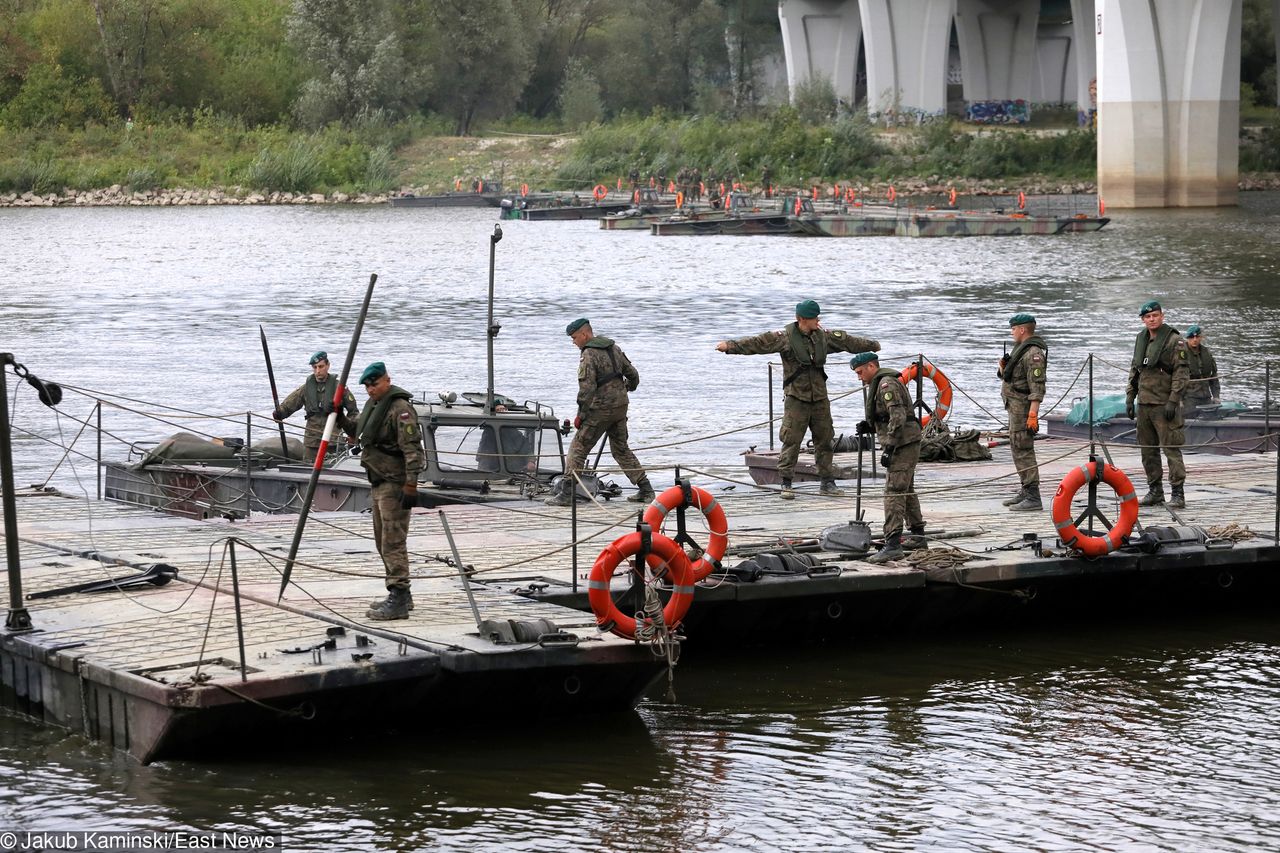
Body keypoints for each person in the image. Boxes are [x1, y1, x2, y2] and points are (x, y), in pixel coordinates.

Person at [717, 300, 879, 499]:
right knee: (791, 440)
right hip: (797, 398)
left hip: (820, 398)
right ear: (801, 319)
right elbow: (757, 343)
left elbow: (847, 341)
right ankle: (786, 482)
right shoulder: (784, 338)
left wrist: (872, 345)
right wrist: (730, 346)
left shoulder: (823, 337)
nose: (818, 321)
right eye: (813, 318)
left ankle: (827, 481)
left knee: (825, 439)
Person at [340, 362, 424, 620]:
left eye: (374, 384)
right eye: (366, 386)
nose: (370, 389)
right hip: (378, 479)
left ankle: (398, 596)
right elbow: (360, 431)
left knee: (392, 541)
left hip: (394, 483)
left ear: (387, 380)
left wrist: (411, 484)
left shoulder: (400, 409)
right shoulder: (374, 406)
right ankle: (401, 595)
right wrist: (341, 416)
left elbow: (413, 450)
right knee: (381, 541)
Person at [544, 319, 654, 506]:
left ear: (585, 334)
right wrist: (628, 388)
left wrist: (581, 415)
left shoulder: (589, 354)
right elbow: (633, 375)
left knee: (577, 449)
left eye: (574, 337)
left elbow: (586, 389)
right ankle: (646, 489)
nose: (573, 342)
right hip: (620, 406)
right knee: (620, 449)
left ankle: (567, 493)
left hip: (600, 410)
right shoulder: (614, 348)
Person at [850, 352, 923, 562]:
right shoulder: (883, 383)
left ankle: (892, 544)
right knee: (905, 489)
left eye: (861, 372)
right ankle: (918, 535)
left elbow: (898, 417)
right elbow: (888, 416)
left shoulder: (886, 385)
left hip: (903, 443)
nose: (859, 377)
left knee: (893, 492)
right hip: (905, 441)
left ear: (872, 366)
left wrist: (889, 447)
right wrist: (871, 426)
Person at [1125, 300, 1190, 509]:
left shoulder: (1175, 341)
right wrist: (1130, 396)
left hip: (1164, 404)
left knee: (1171, 448)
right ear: (1143, 320)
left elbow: (1181, 373)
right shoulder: (1141, 339)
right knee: (1148, 450)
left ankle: (1178, 493)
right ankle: (1155, 491)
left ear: (1162, 316)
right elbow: (1135, 369)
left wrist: (1173, 400)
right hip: (1145, 403)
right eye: (1147, 317)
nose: (1151, 319)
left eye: (1155, 316)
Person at [997, 313, 1048, 511]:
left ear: (1022, 330)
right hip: (1014, 408)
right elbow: (1012, 378)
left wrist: (1033, 414)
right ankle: (1026, 489)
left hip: (1023, 410)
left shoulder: (1033, 354)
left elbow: (1037, 387)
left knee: (1024, 450)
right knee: (1017, 449)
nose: (1011, 332)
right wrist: (1003, 368)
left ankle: (1034, 496)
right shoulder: (1020, 350)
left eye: (1013, 329)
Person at [272, 351, 358, 462]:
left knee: (334, 470)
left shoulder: (340, 388)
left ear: (328, 365)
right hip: (311, 442)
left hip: (333, 441)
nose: (318, 371)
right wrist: (279, 413)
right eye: (315, 367)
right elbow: (289, 405)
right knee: (308, 471)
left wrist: (352, 433)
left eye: (321, 366)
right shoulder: (306, 388)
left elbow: (354, 412)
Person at [1182, 324, 1220, 418]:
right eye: (1191, 337)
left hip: (1205, 396)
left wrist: (1216, 395)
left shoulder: (1206, 353)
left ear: (1201, 337)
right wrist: (1178, 399)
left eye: (1197, 337)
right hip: (1189, 397)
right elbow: (1174, 377)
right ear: (1187, 338)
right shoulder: (1181, 353)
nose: (1194, 340)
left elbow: (1214, 376)